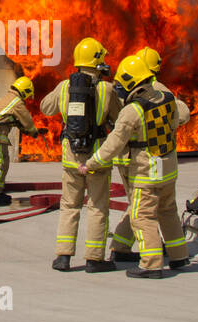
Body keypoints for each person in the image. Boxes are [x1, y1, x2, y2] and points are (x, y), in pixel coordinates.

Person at [80, 54, 191, 279]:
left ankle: (151, 265)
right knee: (168, 210)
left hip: (145, 172)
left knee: (142, 216)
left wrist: (90, 164)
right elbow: (178, 120)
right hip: (168, 167)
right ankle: (179, 256)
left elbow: (113, 144)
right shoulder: (168, 98)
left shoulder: (132, 110)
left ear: (130, 82)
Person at [40, 37, 122, 272]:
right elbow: (119, 119)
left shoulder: (65, 87)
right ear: (97, 61)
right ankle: (94, 260)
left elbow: (46, 107)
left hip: (71, 158)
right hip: (97, 159)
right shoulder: (106, 89)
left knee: (69, 206)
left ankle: (63, 257)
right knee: (97, 207)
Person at [111, 46, 164, 262]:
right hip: (146, 158)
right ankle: (150, 256)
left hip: (127, 156)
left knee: (138, 204)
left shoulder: (126, 88)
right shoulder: (157, 88)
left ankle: (121, 247)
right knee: (145, 207)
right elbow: (183, 112)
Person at [0, 76, 39, 206]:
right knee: (1, 165)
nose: (27, 98)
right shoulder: (16, 102)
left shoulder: (6, 98)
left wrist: (21, 128)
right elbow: (27, 120)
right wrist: (33, 132)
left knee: (0, 164)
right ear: (24, 91)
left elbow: (10, 119)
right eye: (28, 95)